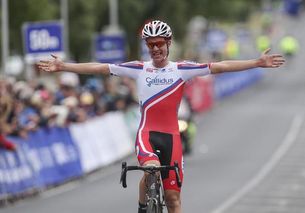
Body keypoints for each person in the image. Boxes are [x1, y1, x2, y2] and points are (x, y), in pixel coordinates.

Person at [37, 20, 285, 213]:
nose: (155, 48)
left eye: (159, 43)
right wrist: (64, 66)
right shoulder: (138, 68)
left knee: (173, 198)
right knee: (151, 168)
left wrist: (256, 62)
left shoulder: (181, 70)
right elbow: (100, 67)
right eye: (150, 44)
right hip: (146, 133)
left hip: (172, 137)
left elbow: (219, 66)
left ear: (168, 43)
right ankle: (143, 207)